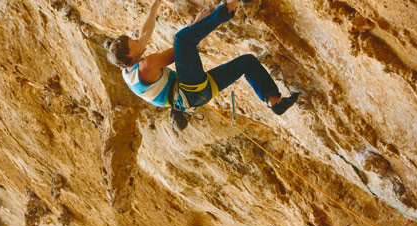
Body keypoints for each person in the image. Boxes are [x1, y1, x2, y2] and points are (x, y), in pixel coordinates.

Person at [106, 0, 300, 130]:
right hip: (189, 90)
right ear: (129, 53)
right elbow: (178, 49)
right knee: (181, 39)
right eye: (132, 41)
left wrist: (155, 5)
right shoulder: (146, 66)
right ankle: (236, 2)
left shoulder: (127, 69)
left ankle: (273, 100)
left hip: (199, 94)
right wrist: (197, 22)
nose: (136, 39)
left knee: (247, 63)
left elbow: (145, 33)